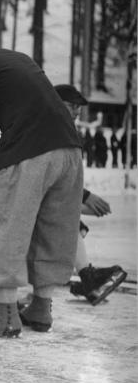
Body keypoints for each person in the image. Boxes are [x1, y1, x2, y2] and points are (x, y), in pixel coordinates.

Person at [0, 23, 83, 337]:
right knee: (54, 229)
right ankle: (41, 307)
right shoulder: (20, 58)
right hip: (70, 151)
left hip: (29, 151)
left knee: (6, 227)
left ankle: (5, 314)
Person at [53, 84, 127, 305]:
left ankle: (85, 276)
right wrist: (83, 197)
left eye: (78, 108)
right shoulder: (51, 129)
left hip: (49, 197)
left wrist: (82, 202)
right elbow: (54, 173)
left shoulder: (63, 129)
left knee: (73, 219)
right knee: (69, 219)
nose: (77, 112)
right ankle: (87, 277)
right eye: (72, 106)